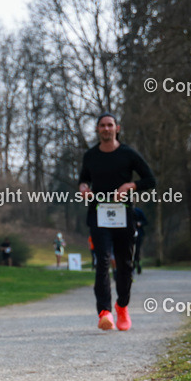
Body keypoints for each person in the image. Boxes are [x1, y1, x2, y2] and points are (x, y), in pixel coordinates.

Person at [78, 112, 155, 331]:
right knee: (101, 261)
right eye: (102, 125)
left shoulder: (128, 154)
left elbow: (150, 180)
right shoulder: (91, 156)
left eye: (109, 125)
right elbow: (84, 178)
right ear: (97, 129)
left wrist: (130, 186)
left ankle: (122, 306)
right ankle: (104, 312)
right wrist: (83, 187)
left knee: (124, 264)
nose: (106, 128)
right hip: (98, 213)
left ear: (117, 128)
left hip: (124, 214)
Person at [133, 207, 148, 274]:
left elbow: (146, 221)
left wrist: (140, 223)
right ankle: (132, 265)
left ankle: (138, 263)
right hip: (128, 234)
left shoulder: (138, 211)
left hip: (139, 233)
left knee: (137, 250)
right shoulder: (125, 210)